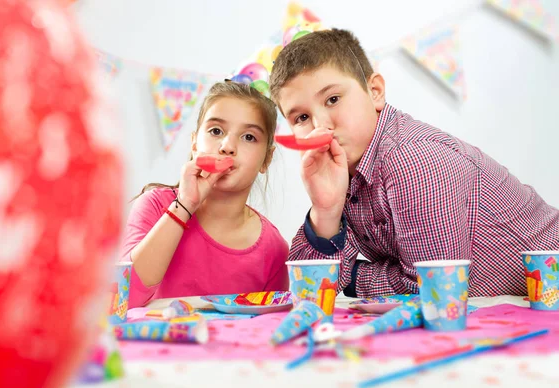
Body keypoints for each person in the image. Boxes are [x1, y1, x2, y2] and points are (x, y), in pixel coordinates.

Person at [269, 28, 559, 297]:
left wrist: (354, 278)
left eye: (333, 99)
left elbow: (432, 288)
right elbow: (311, 294)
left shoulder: (413, 160)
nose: (322, 126)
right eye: (302, 118)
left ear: (375, 92)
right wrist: (325, 211)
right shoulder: (339, 171)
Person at [120, 81, 289, 307]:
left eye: (248, 137)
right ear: (194, 143)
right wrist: (184, 206)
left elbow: (268, 327)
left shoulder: (274, 249)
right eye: (216, 131)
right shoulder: (154, 206)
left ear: (266, 159)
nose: (227, 146)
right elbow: (125, 298)